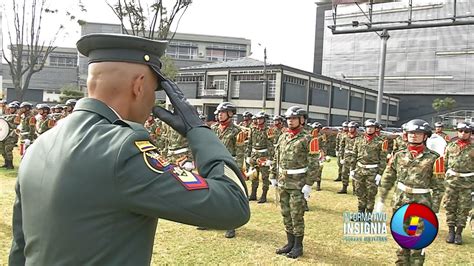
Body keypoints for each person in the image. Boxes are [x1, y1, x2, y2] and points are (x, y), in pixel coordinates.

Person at [9, 33, 250, 265]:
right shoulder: (123, 149)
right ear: (139, 85)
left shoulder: (39, 146)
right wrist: (198, 131)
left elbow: (20, 248)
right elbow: (233, 205)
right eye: (155, 92)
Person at [375, 119, 445, 265]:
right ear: (406, 135)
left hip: (420, 205)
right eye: (411, 133)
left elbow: (439, 187)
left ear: (425, 136)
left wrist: (435, 210)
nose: (414, 136)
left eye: (418, 133)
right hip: (400, 203)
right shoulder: (398, 155)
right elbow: (388, 178)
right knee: (401, 240)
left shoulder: (434, 158)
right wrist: (380, 200)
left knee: (416, 241)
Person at [270, 106, 318, 259]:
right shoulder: (283, 136)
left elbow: (314, 163)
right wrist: (273, 175)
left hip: (298, 183)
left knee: (296, 214)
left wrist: (309, 184)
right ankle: (289, 243)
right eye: (288, 119)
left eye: (294, 118)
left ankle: (298, 246)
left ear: (302, 120)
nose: (290, 121)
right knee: (286, 213)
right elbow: (276, 157)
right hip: (284, 181)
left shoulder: (309, 138)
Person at [212, 102, 247, 238]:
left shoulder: (237, 131)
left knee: (229, 195)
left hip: (228, 164)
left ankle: (230, 224)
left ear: (230, 114)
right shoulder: (214, 128)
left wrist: (237, 169)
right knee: (212, 191)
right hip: (214, 163)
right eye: (219, 112)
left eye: (223, 112)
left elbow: (240, 151)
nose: (219, 114)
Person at [443, 122, 473, 245]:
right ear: (457, 131)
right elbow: (444, 163)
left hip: (468, 182)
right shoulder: (450, 146)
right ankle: (451, 231)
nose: (463, 133)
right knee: (450, 205)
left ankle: (459, 232)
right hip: (451, 181)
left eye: (466, 131)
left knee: (464, 208)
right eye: (460, 130)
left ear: (470, 133)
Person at [350, 119, 388, 214]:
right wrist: (352, 169)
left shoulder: (381, 142)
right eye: (368, 127)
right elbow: (354, 155)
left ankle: (368, 215)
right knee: (360, 192)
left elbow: (383, 159)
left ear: (375, 129)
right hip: (359, 170)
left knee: (371, 194)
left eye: (372, 127)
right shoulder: (358, 140)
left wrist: (380, 173)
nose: (370, 129)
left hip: (372, 171)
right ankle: (360, 213)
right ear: (365, 128)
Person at [246, 111, 274, 203]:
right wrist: (248, 155)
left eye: (260, 119)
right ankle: (253, 194)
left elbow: (270, 145)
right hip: (254, 154)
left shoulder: (268, 130)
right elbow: (249, 143)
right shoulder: (253, 129)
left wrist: (270, 158)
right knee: (254, 175)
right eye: (257, 119)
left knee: (265, 176)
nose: (258, 121)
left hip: (264, 155)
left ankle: (264, 195)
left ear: (265, 120)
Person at [338, 121, 360, 194]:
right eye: (349, 127)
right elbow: (342, 146)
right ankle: (344, 188)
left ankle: (355, 189)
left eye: (352, 127)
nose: (350, 129)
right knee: (344, 172)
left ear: (356, 128)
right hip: (346, 156)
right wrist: (341, 157)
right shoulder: (345, 136)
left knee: (354, 173)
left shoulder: (360, 137)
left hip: (355, 157)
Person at [1, 102, 20, 169]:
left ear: (16, 109)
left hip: (12, 136)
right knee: (2, 149)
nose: (11, 109)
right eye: (10, 108)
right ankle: (6, 163)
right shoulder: (7, 115)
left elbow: (17, 126)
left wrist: (8, 124)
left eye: (13, 108)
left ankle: (10, 164)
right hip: (4, 135)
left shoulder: (17, 116)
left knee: (8, 149)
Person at [310, 122, 326, 191]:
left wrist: (323, 154)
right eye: (315, 128)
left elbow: (324, 146)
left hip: (318, 153)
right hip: (309, 154)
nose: (316, 129)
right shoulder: (309, 135)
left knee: (319, 169)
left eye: (318, 128)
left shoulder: (322, 136)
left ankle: (318, 185)